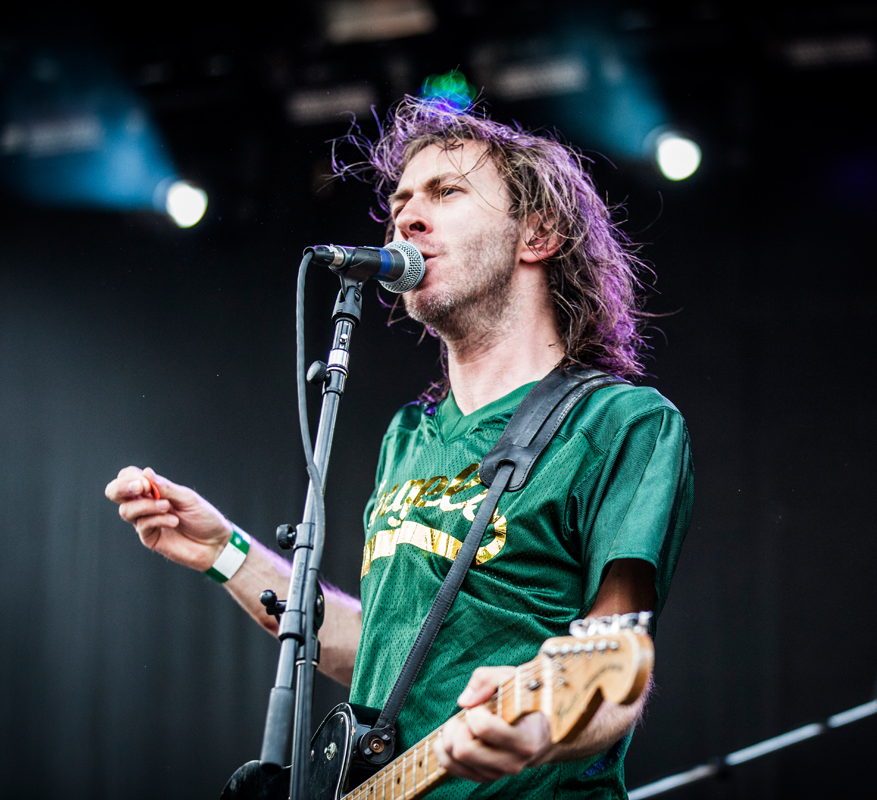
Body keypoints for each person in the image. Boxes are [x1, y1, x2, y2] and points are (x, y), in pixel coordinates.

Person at [105, 98, 693, 798]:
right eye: (401, 200)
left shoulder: (621, 422)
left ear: (538, 233)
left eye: (446, 193)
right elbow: (374, 652)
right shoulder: (408, 437)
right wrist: (219, 550)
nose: (407, 216)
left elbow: (616, 658)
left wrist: (538, 731)